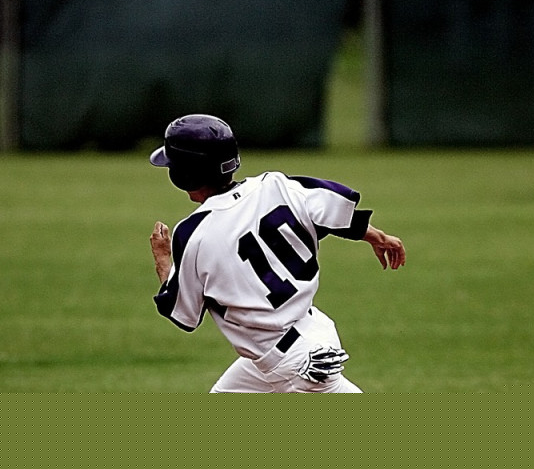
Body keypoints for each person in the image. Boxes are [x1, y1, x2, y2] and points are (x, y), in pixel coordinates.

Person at [148, 114, 406, 392]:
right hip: (299, 339)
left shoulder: (193, 232)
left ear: (184, 174)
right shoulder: (277, 185)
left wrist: (164, 259)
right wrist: (376, 236)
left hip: (296, 364)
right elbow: (329, 210)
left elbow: (182, 312)